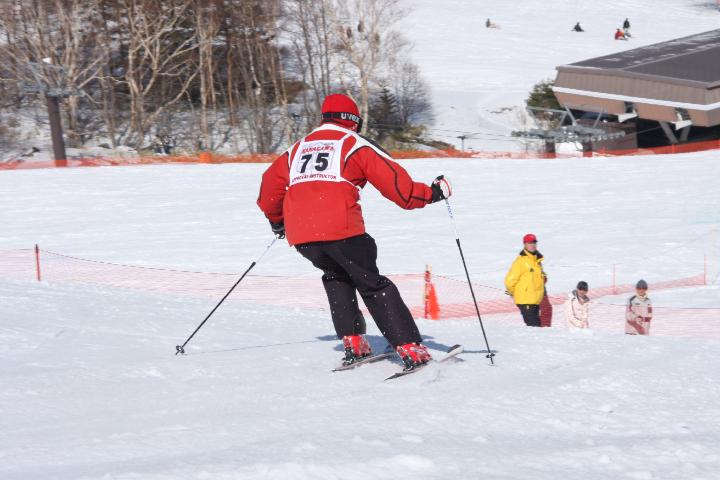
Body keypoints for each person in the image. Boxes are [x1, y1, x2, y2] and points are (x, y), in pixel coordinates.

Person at [257, 93, 452, 371]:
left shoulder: (296, 149)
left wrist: (278, 222)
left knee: (336, 276)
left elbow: (268, 189)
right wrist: (433, 193)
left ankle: (354, 344)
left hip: (303, 237)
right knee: (373, 285)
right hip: (342, 229)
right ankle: (411, 348)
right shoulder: (354, 144)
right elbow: (401, 191)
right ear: (354, 121)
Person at [504, 233, 547, 327]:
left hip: (535, 301)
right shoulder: (520, 261)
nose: (532, 245)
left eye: (534, 242)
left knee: (535, 328)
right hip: (525, 301)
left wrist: (543, 277)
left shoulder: (536, 260)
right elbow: (509, 281)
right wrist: (513, 292)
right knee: (535, 328)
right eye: (529, 243)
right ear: (525, 244)